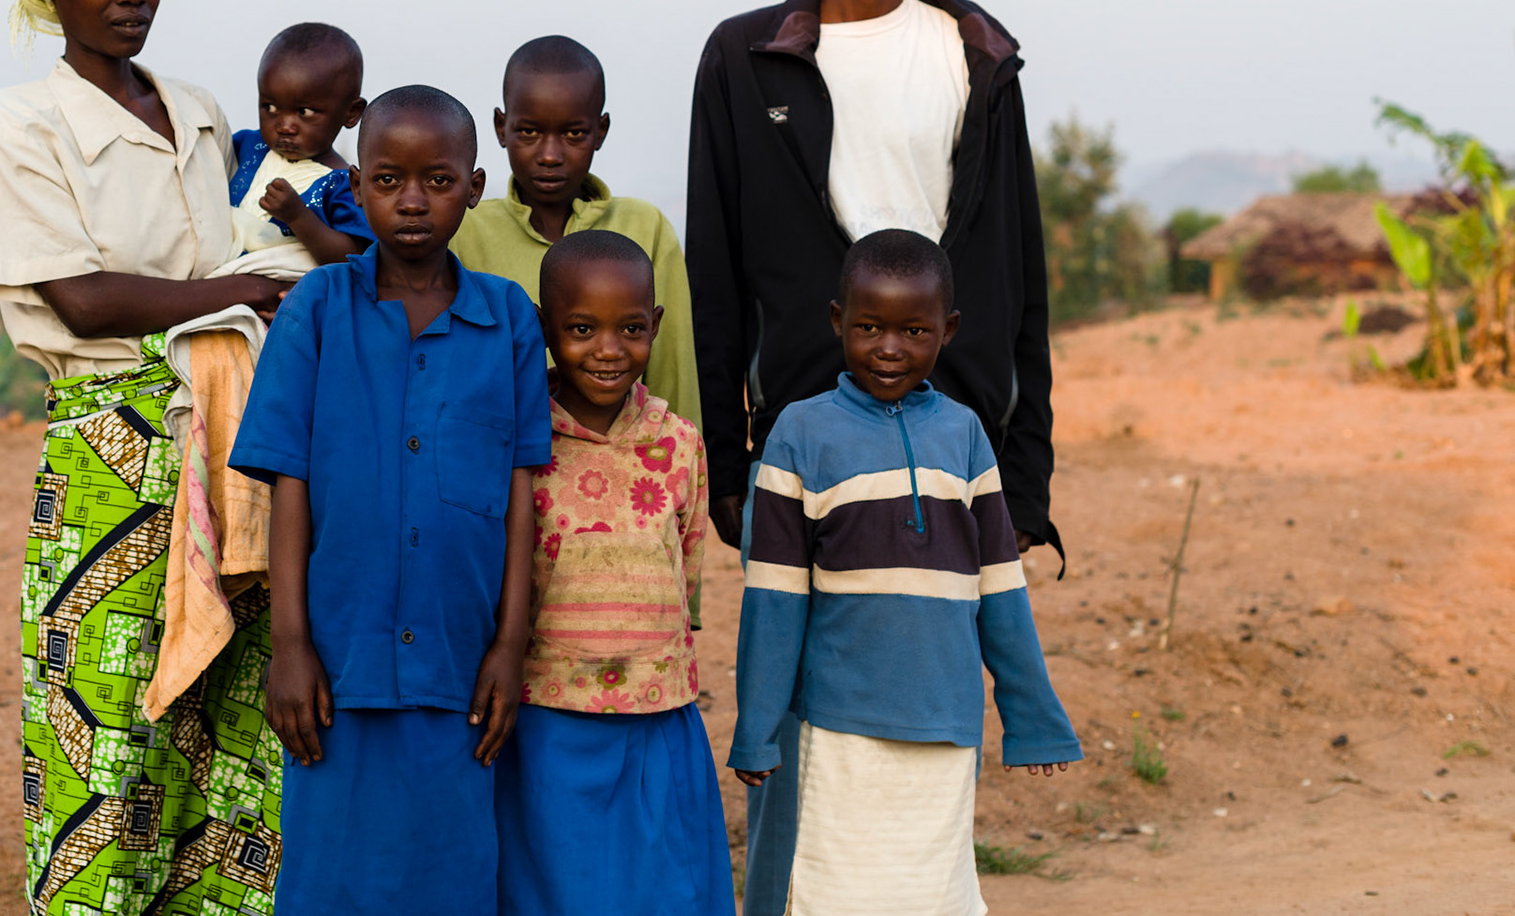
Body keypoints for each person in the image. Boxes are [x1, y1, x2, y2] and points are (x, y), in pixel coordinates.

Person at [684, 0, 1060, 913]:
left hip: (955, 431)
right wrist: (727, 457)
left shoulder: (974, 51)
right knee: (799, 700)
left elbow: (1019, 268)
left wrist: (1024, 468)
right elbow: (717, 272)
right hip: (809, 424)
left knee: (925, 680)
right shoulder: (748, 56)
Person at [0, 0, 289, 914]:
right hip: (112, 454)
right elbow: (80, 296)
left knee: (229, 727)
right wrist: (237, 290)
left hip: (232, 433)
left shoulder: (195, 110)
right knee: (104, 726)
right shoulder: (17, 125)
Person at [229, 85, 551, 916]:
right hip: (339, 664)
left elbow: (519, 489)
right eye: (387, 180)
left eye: (438, 180)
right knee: (328, 882)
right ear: (357, 185)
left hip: (459, 668)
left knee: (452, 880)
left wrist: (510, 646)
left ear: (474, 187)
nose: (412, 201)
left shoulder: (510, 319)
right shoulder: (317, 313)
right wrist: (292, 645)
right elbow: (288, 485)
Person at [728, 230, 1079, 916]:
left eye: (914, 330)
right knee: (836, 893)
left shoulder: (966, 436)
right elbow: (773, 600)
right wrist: (758, 726)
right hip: (837, 729)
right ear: (838, 322)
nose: (889, 348)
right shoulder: (799, 434)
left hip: (945, 726)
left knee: (928, 894)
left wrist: (1033, 716)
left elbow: (1001, 590)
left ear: (947, 331)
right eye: (868, 328)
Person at [494, 231, 731, 916]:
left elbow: (686, 567)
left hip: (658, 711)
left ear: (654, 326)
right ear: (544, 327)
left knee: (662, 886)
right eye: (581, 329)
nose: (608, 349)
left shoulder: (679, 443)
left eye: (630, 329)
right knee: (559, 885)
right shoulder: (520, 439)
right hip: (549, 716)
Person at [451, 35, 701, 425]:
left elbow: (673, 366)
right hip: (500, 465)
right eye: (529, 132)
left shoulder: (644, 226)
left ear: (600, 131)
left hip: (633, 471)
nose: (550, 155)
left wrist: (683, 458)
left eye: (574, 134)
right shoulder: (465, 230)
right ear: (502, 127)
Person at [225, 22, 373, 270]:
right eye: (270, 107)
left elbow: (354, 258)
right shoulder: (247, 146)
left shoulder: (345, 186)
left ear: (351, 112)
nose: (284, 126)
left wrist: (298, 217)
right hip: (215, 274)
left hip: (285, 293)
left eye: (304, 112)